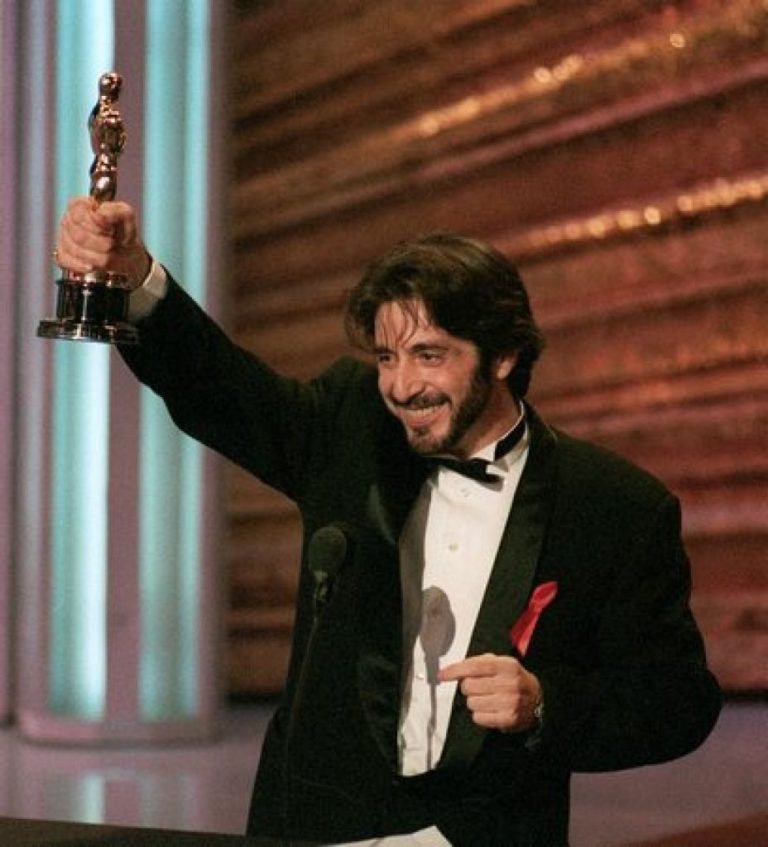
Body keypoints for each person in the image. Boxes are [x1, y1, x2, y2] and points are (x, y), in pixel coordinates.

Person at [55, 197, 722, 847]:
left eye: (429, 355)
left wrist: (544, 702)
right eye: (386, 357)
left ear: (502, 356)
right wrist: (134, 278)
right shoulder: (352, 424)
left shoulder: (613, 505)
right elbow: (220, 388)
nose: (401, 387)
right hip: (320, 823)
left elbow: (678, 704)